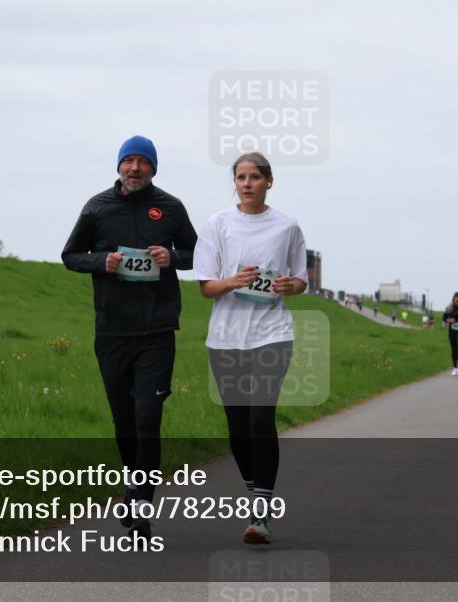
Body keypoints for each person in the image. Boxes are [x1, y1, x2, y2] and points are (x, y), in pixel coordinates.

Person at [61, 135, 198, 540]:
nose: (135, 168)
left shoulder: (171, 208)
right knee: (124, 420)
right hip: (112, 330)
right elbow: (70, 255)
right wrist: (101, 262)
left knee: (147, 417)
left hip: (157, 329)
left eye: (142, 162)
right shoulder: (98, 206)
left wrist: (172, 258)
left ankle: (140, 502)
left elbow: (197, 253)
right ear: (119, 166)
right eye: (129, 161)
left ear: (153, 168)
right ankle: (133, 481)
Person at [194, 152, 308, 545]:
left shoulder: (287, 227)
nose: (247, 183)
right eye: (241, 177)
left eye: (255, 177)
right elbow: (206, 286)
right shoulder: (217, 225)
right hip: (226, 337)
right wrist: (234, 281)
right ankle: (253, 491)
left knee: (261, 419)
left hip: (271, 333)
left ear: (269, 181)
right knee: (238, 426)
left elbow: (300, 280)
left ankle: (260, 511)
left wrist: (290, 286)